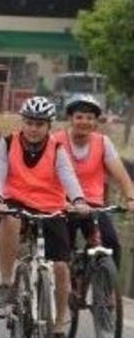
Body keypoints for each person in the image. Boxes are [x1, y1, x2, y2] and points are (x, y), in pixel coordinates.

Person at [0, 96, 91, 338]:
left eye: (40, 124)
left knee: (61, 268)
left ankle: (58, 331)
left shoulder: (57, 148)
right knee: (9, 220)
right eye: (30, 123)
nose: (34, 129)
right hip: (16, 201)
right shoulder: (8, 142)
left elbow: (68, 175)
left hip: (50, 206)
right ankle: (6, 284)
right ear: (23, 123)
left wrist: (79, 200)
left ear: (48, 126)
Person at [55, 95, 134, 268]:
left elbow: (122, 176)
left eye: (90, 118)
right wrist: (60, 202)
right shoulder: (56, 141)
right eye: (79, 117)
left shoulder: (103, 143)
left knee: (111, 242)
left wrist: (130, 198)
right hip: (63, 203)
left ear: (96, 122)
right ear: (70, 118)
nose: (84, 122)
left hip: (93, 205)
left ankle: (107, 283)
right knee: (63, 247)